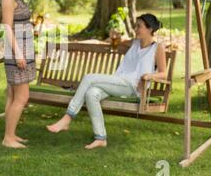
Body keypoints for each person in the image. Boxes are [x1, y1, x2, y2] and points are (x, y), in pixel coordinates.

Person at [46, 14, 167, 149]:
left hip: (132, 86)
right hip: (118, 82)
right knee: (91, 94)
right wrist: (114, 37)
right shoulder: (134, 43)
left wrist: (149, 76)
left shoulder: (157, 48)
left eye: (139, 26)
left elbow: (164, 73)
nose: (135, 29)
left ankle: (68, 118)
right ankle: (101, 138)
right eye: (135, 26)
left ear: (150, 29)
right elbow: (117, 41)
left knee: (89, 78)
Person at [0, 0, 36, 149]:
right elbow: (7, 27)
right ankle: (8, 138)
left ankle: (11, 134)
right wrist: (18, 54)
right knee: (22, 97)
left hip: (23, 49)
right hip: (17, 52)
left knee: (13, 96)